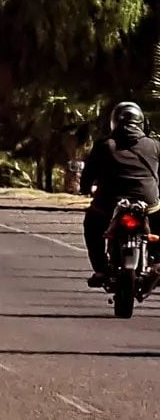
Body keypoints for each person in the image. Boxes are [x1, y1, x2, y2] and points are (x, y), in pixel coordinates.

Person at [80, 101, 160, 285]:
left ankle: (100, 269)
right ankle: (156, 261)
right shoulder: (155, 146)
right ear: (141, 123)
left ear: (114, 122)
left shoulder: (104, 145)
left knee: (92, 227)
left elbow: (88, 175)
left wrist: (85, 189)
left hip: (109, 204)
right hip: (148, 203)